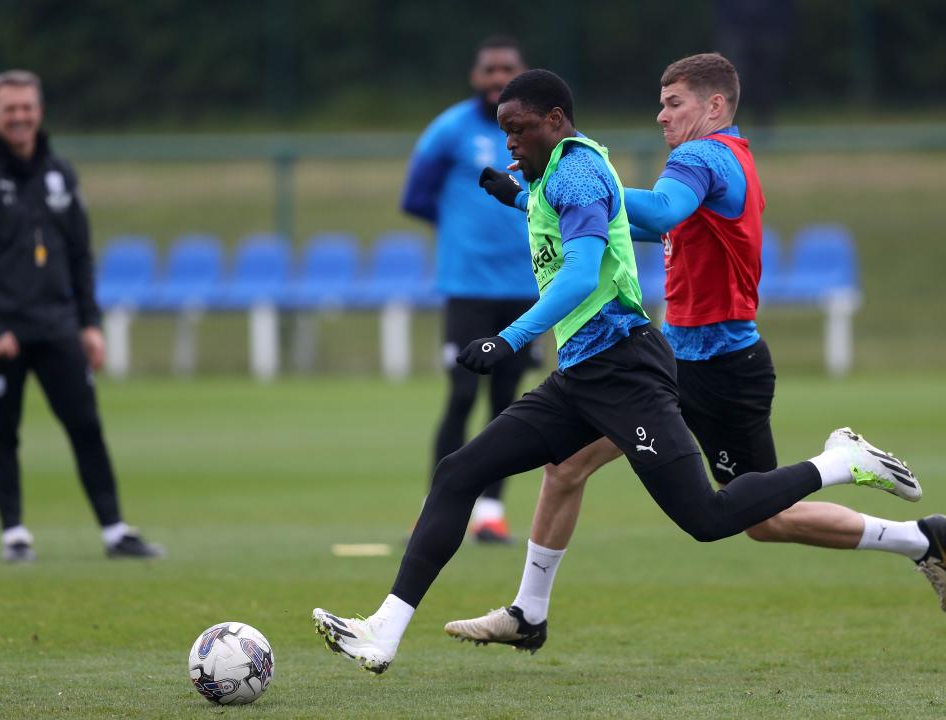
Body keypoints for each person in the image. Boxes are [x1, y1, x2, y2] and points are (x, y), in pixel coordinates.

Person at [312, 69, 919, 674]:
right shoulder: (564, 173)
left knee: (709, 519)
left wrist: (508, 339)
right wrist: (524, 196)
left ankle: (840, 463)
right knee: (462, 472)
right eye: (504, 132)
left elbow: (588, 264)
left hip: (629, 369)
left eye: (517, 129)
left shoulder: (631, 163)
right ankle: (386, 630)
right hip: (584, 375)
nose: (509, 143)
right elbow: (585, 212)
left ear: (554, 120)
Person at [0, 70, 163, 562]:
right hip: (4, 333)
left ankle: (114, 531)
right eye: (10, 109)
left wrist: (90, 323)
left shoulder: (59, 173)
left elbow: (81, 254)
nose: (20, 117)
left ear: (39, 111)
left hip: (58, 324)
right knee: (3, 432)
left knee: (85, 425)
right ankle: (14, 534)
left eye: (27, 107)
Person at [400, 36, 540, 543]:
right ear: (475, 76)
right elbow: (415, 196)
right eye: (489, 69)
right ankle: (433, 508)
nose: (498, 77)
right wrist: (463, 230)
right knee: (461, 394)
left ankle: (490, 513)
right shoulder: (450, 129)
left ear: (522, 74)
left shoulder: (541, 131)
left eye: (508, 68)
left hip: (527, 285)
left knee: (508, 403)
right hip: (467, 287)